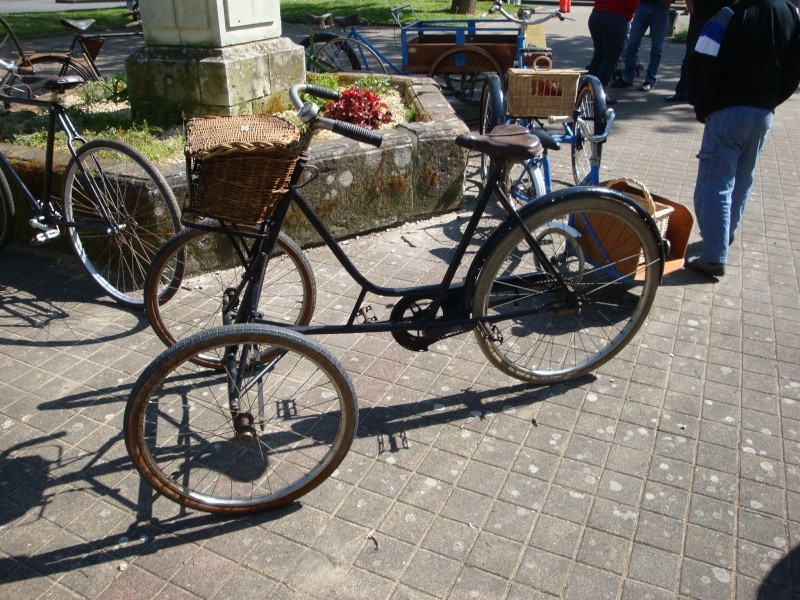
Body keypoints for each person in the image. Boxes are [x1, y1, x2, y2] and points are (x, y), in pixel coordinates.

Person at [684, 0, 800, 279]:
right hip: (762, 112)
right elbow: (794, 71)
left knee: (715, 184)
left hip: (727, 112)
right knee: (743, 177)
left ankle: (713, 256)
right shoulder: (790, 14)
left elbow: (702, 63)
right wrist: (770, 101)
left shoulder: (729, 14)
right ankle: (724, 235)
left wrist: (703, 105)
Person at [664, 0, 732, 102]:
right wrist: (689, 4)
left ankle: (717, 92)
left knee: (722, 55)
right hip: (700, 14)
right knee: (691, 54)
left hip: (723, 14)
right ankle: (682, 91)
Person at [586, 0, 641, 103]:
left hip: (596, 16)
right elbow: (632, 6)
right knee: (610, 58)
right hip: (615, 18)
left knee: (599, 56)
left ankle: (587, 91)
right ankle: (601, 94)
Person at [614, 0, 673, 92]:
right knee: (632, 44)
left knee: (656, 47)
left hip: (660, 7)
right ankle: (627, 78)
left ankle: (650, 80)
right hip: (642, 5)